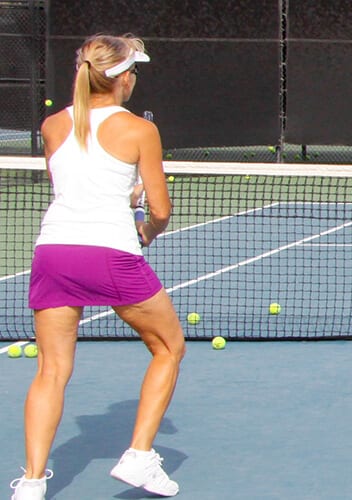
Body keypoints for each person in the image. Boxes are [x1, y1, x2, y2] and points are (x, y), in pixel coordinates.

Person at [9, 34, 185, 500]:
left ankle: (30, 483)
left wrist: (121, 198)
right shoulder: (139, 130)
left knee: (50, 369)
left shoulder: (52, 126)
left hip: (54, 253)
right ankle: (141, 456)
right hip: (110, 252)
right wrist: (145, 229)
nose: (135, 78)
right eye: (135, 70)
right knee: (169, 347)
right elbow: (161, 211)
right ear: (123, 77)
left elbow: (70, 185)